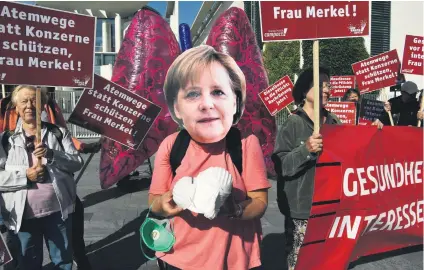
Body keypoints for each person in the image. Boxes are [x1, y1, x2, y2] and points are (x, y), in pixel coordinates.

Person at [147, 45, 271, 269]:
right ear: (177, 107)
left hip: (235, 261)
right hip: (178, 258)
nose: (206, 105)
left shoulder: (245, 144)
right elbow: (154, 203)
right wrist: (163, 206)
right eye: (193, 94)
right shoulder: (171, 146)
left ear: (235, 102)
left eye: (218, 92)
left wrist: (236, 209)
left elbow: (260, 203)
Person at [0, 90, 100, 270]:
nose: (29, 105)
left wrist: (51, 154)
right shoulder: (5, 140)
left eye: (34, 101)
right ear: (17, 107)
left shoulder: (58, 133)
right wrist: (25, 176)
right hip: (24, 218)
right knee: (28, 263)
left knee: (63, 262)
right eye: (24, 101)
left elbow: (76, 163)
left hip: (58, 214)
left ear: (42, 105)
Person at [272, 66, 342, 270]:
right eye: (321, 85)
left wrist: (374, 132)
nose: (327, 90)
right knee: (301, 264)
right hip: (301, 212)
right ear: (305, 91)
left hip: (330, 208)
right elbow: (281, 166)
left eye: (328, 85)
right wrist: (306, 150)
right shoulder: (293, 124)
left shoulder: (334, 122)